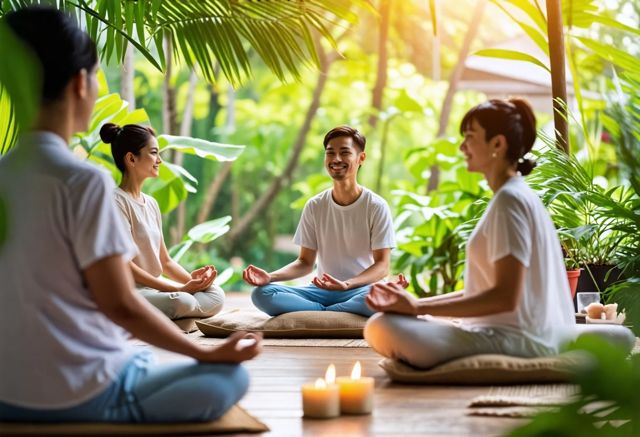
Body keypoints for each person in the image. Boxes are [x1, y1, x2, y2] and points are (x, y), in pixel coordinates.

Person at [0, 7, 261, 423]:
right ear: (80, 83)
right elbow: (120, 303)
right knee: (229, 381)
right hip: (79, 391)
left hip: (6, 392)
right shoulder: (83, 181)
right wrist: (206, 352)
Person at [364, 98, 581, 369]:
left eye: (469, 137)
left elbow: (503, 297)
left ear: (497, 144)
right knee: (395, 321)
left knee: (380, 327)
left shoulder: (509, 201)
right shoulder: (516, 195)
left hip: (517, 342)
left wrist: (418, 309)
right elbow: (484, 291)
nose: (461, 146)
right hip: (521, 336)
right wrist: (415, 303)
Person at [243, 126, 396, 317]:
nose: (336, 159)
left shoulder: (376, 206)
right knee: (262, 294)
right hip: (322, 291)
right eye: (330, 153)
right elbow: (305, 262)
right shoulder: (315, 205)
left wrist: (347, 284)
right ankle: (331, 312)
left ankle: (318, 314)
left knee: (382, 295)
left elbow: (382, 266)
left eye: (345, 152)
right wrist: (270, 276)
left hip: (360, 290)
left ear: (361, 158)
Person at [101, 122, 225, 320]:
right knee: (181, 301)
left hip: (157, 292)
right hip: (132, 293)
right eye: (153, 153)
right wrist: (182, 289)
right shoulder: (116, 201)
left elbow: (165, 261)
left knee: (216, 295)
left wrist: (197, 282)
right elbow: (125, 265)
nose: (159, 160)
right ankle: (175, 315)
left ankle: (170, 317)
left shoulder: (151, 203)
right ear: (131, 158)